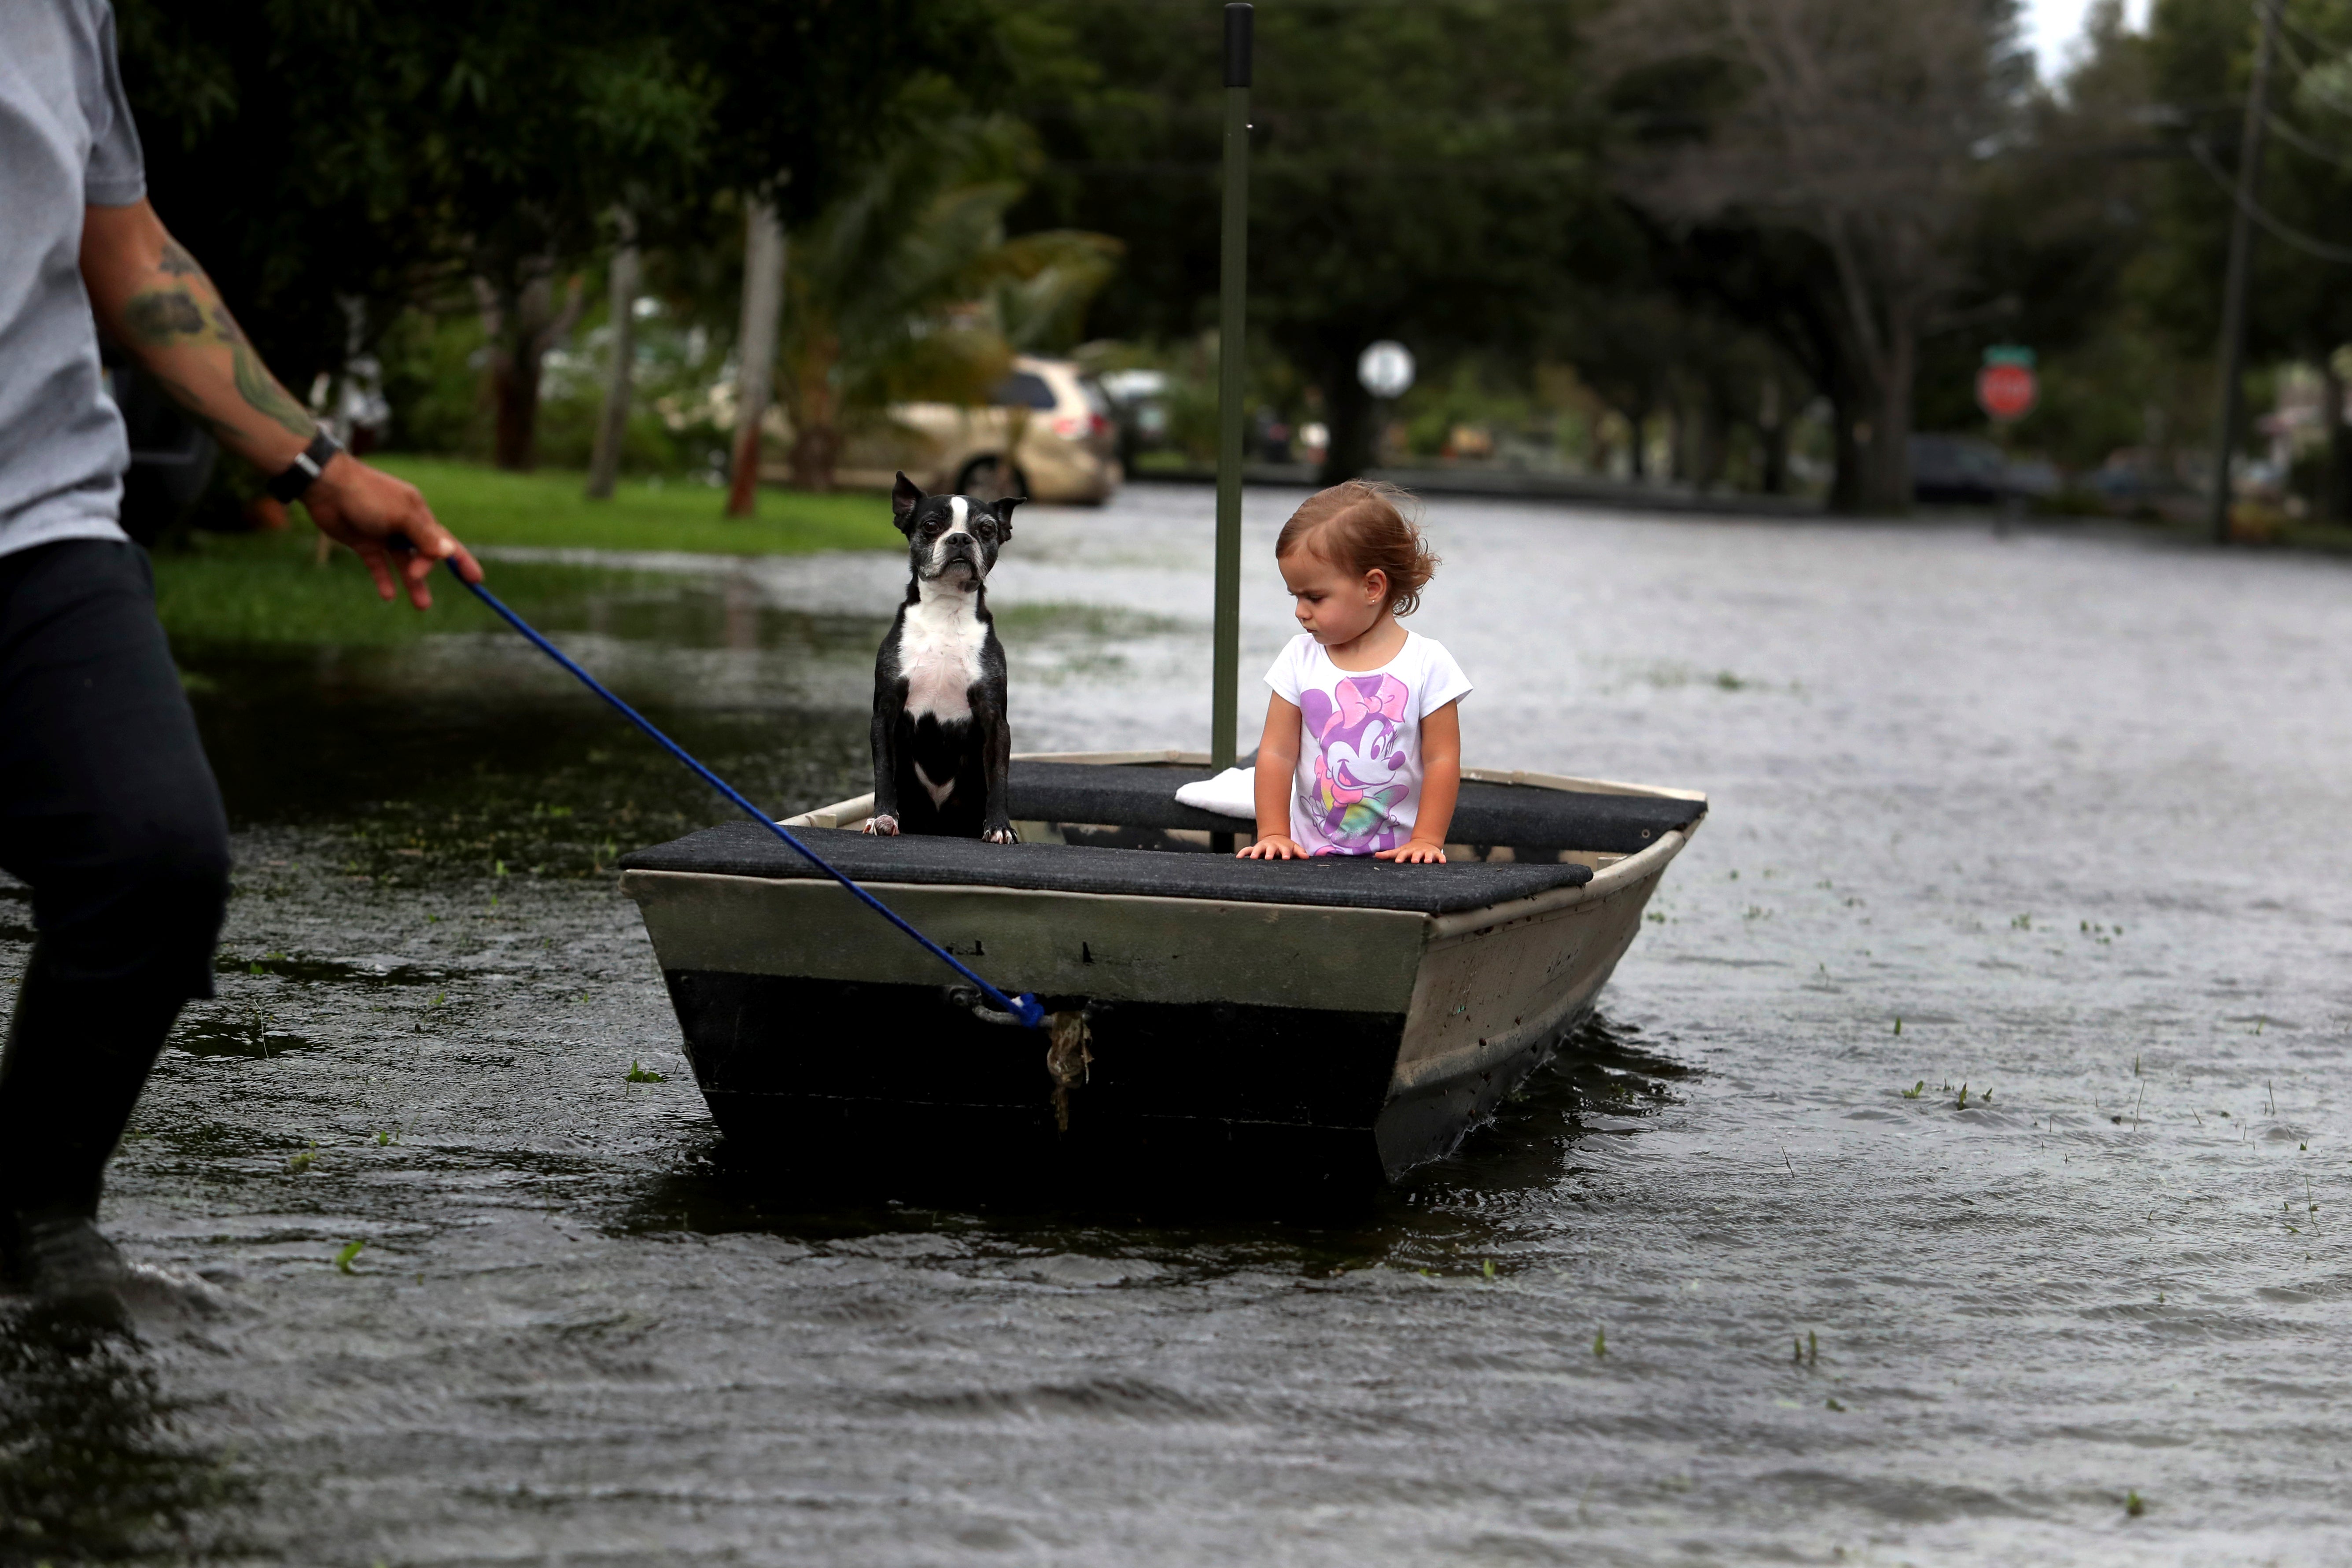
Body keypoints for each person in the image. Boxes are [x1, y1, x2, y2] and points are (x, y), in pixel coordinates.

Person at [0, 0, 481, 1317]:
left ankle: (39, 1217)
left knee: (153, 859)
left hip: (30, 517)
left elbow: (127, 245)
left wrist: (311, 461)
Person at [1238, 482, 1470, 863]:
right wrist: (1274, 833)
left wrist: (1427, 840)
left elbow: (1442, 760)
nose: (1300, 610)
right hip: (1309, 857)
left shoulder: (1428, 662)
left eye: (1314, 597)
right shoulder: (1299, 657)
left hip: (1400, 858)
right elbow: (1277, 753)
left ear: (1372, 586)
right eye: (1294, 596)